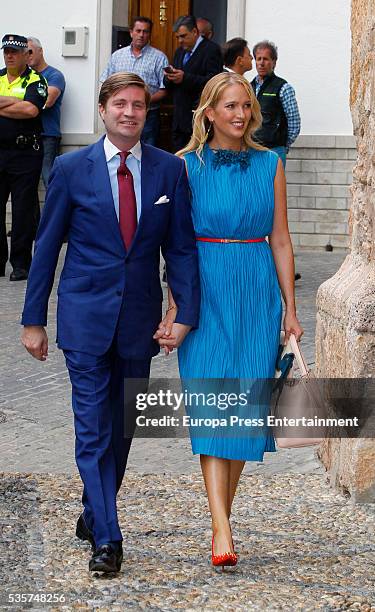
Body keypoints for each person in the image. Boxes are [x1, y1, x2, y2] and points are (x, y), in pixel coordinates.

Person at [21, 73, 200, 574]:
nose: (129, 112)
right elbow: (46, 247)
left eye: (138, 105)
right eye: (119, 103)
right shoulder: (70, 169)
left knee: (123, 428)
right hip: (84, 317)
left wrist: (184, 312)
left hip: (138, 320)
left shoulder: (169, 171)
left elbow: (181, 249)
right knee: (93, 430)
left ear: (148, 113)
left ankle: (93, 509)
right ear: (102, 110)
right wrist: (33, 319)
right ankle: (108, 537)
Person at [155, 72, 303, 570]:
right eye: (230, 107)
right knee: (212, 403)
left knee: (243, 407)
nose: (240, 115)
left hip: (257, 290)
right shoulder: (184, 166)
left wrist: (291, 307)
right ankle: (222, 525)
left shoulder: (271, 164)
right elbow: (175, 246)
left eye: (245, 106)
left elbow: (281, 239)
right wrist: (177, 304)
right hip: (206, 290)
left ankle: (222, 518)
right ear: (209, 112)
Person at [0, 33, 47, 281]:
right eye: (6, 51)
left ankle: (21, 263)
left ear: (26, 55)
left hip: (25, 153)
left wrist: (2, 103)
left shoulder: (36, 80)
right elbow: (22, 106)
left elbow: (31, 110)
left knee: (22, 210)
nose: (9, 56)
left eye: (14, 52)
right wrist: (14, 102)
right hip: (0, 152)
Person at [100, 17, 168, 146]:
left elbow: (163, 91)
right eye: (138, 31)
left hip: (148, 116)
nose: (141, 35)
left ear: (150, 34)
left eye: (146, 31)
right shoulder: (117, 56)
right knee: (119, 149)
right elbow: (106, 85)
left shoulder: (159, 58)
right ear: (131, 32)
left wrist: (142, 102)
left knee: (147, 155)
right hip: (119, 114)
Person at [163, 15, 222, 152]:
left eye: (183, 36)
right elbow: (172, 83)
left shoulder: (211, 49)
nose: (180, 41)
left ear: (195, 32)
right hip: (179, 119)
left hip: (198, 119)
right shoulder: (180, 52)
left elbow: (214, 82)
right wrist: (169, 77)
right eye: (177, 37)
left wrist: (185, 78)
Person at [251, 40, 300, 168]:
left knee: (274, 187)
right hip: (251, 148)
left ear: (274, 62)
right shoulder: (248, 87)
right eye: (258, 59)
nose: (261, 63)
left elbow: (294, 122)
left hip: (274, 150)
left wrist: (283, 144)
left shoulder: (283, 87)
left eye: (266, 59)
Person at [27, 37, 66, 188]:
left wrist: (23, 103)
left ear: (40, 51)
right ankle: (33, 214)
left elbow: (47, 102)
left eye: (30, 51)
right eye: (24, 52)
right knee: (27, 182)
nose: (27, 55)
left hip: (47, 135)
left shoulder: (54, 75)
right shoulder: (24, 78)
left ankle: (55, 212)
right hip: (27, 135)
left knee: (48, 177)